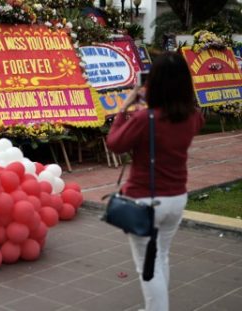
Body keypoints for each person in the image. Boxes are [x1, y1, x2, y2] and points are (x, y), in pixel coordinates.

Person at [106, 52, 205, 311]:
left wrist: (124, 107)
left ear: (155, 83)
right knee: (160, 256)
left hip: (145, 202)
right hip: (176, 199)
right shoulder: (194, 117)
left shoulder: (144, 119)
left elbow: (114, 144)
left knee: (147, 267)